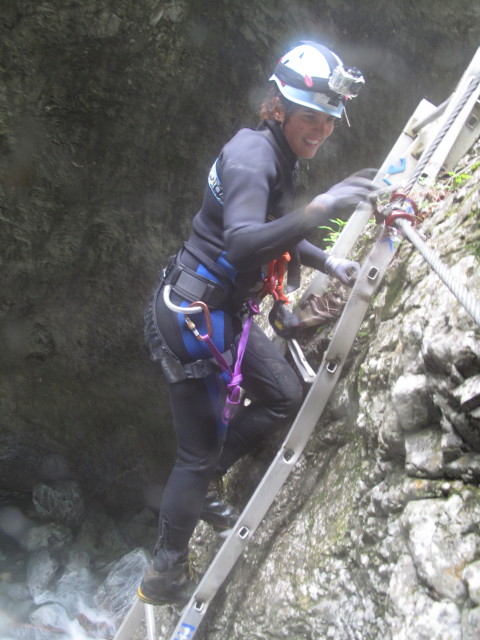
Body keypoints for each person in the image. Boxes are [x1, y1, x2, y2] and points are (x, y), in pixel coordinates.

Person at [138, 40, 378, 606]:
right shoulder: (253, 158)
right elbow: (244, 241)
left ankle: (204, 485)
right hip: (191, 317)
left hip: (221, 311)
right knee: (192, 457)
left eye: (329, 121)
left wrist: (325, 259)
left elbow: (274, 228)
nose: (321, 130)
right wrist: (322, 208)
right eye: (310, 118)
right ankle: (163, 574)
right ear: (280, 108)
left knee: (284, 394)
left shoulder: (278, 151)